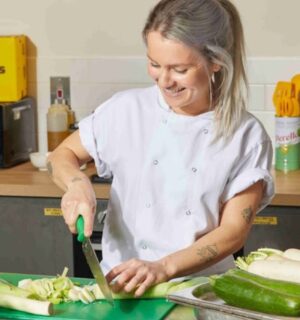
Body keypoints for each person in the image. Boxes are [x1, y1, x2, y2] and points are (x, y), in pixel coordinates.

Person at [47, 0, 274, 297]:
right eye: (154, 64)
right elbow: (62, 156)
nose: (164, 81)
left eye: (179, 69)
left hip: (200, 292)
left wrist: (164, 267)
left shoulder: (246, 135)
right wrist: (76, 184)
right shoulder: (125, 109)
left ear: (216, 61)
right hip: (119, 288)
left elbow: (233, 232)